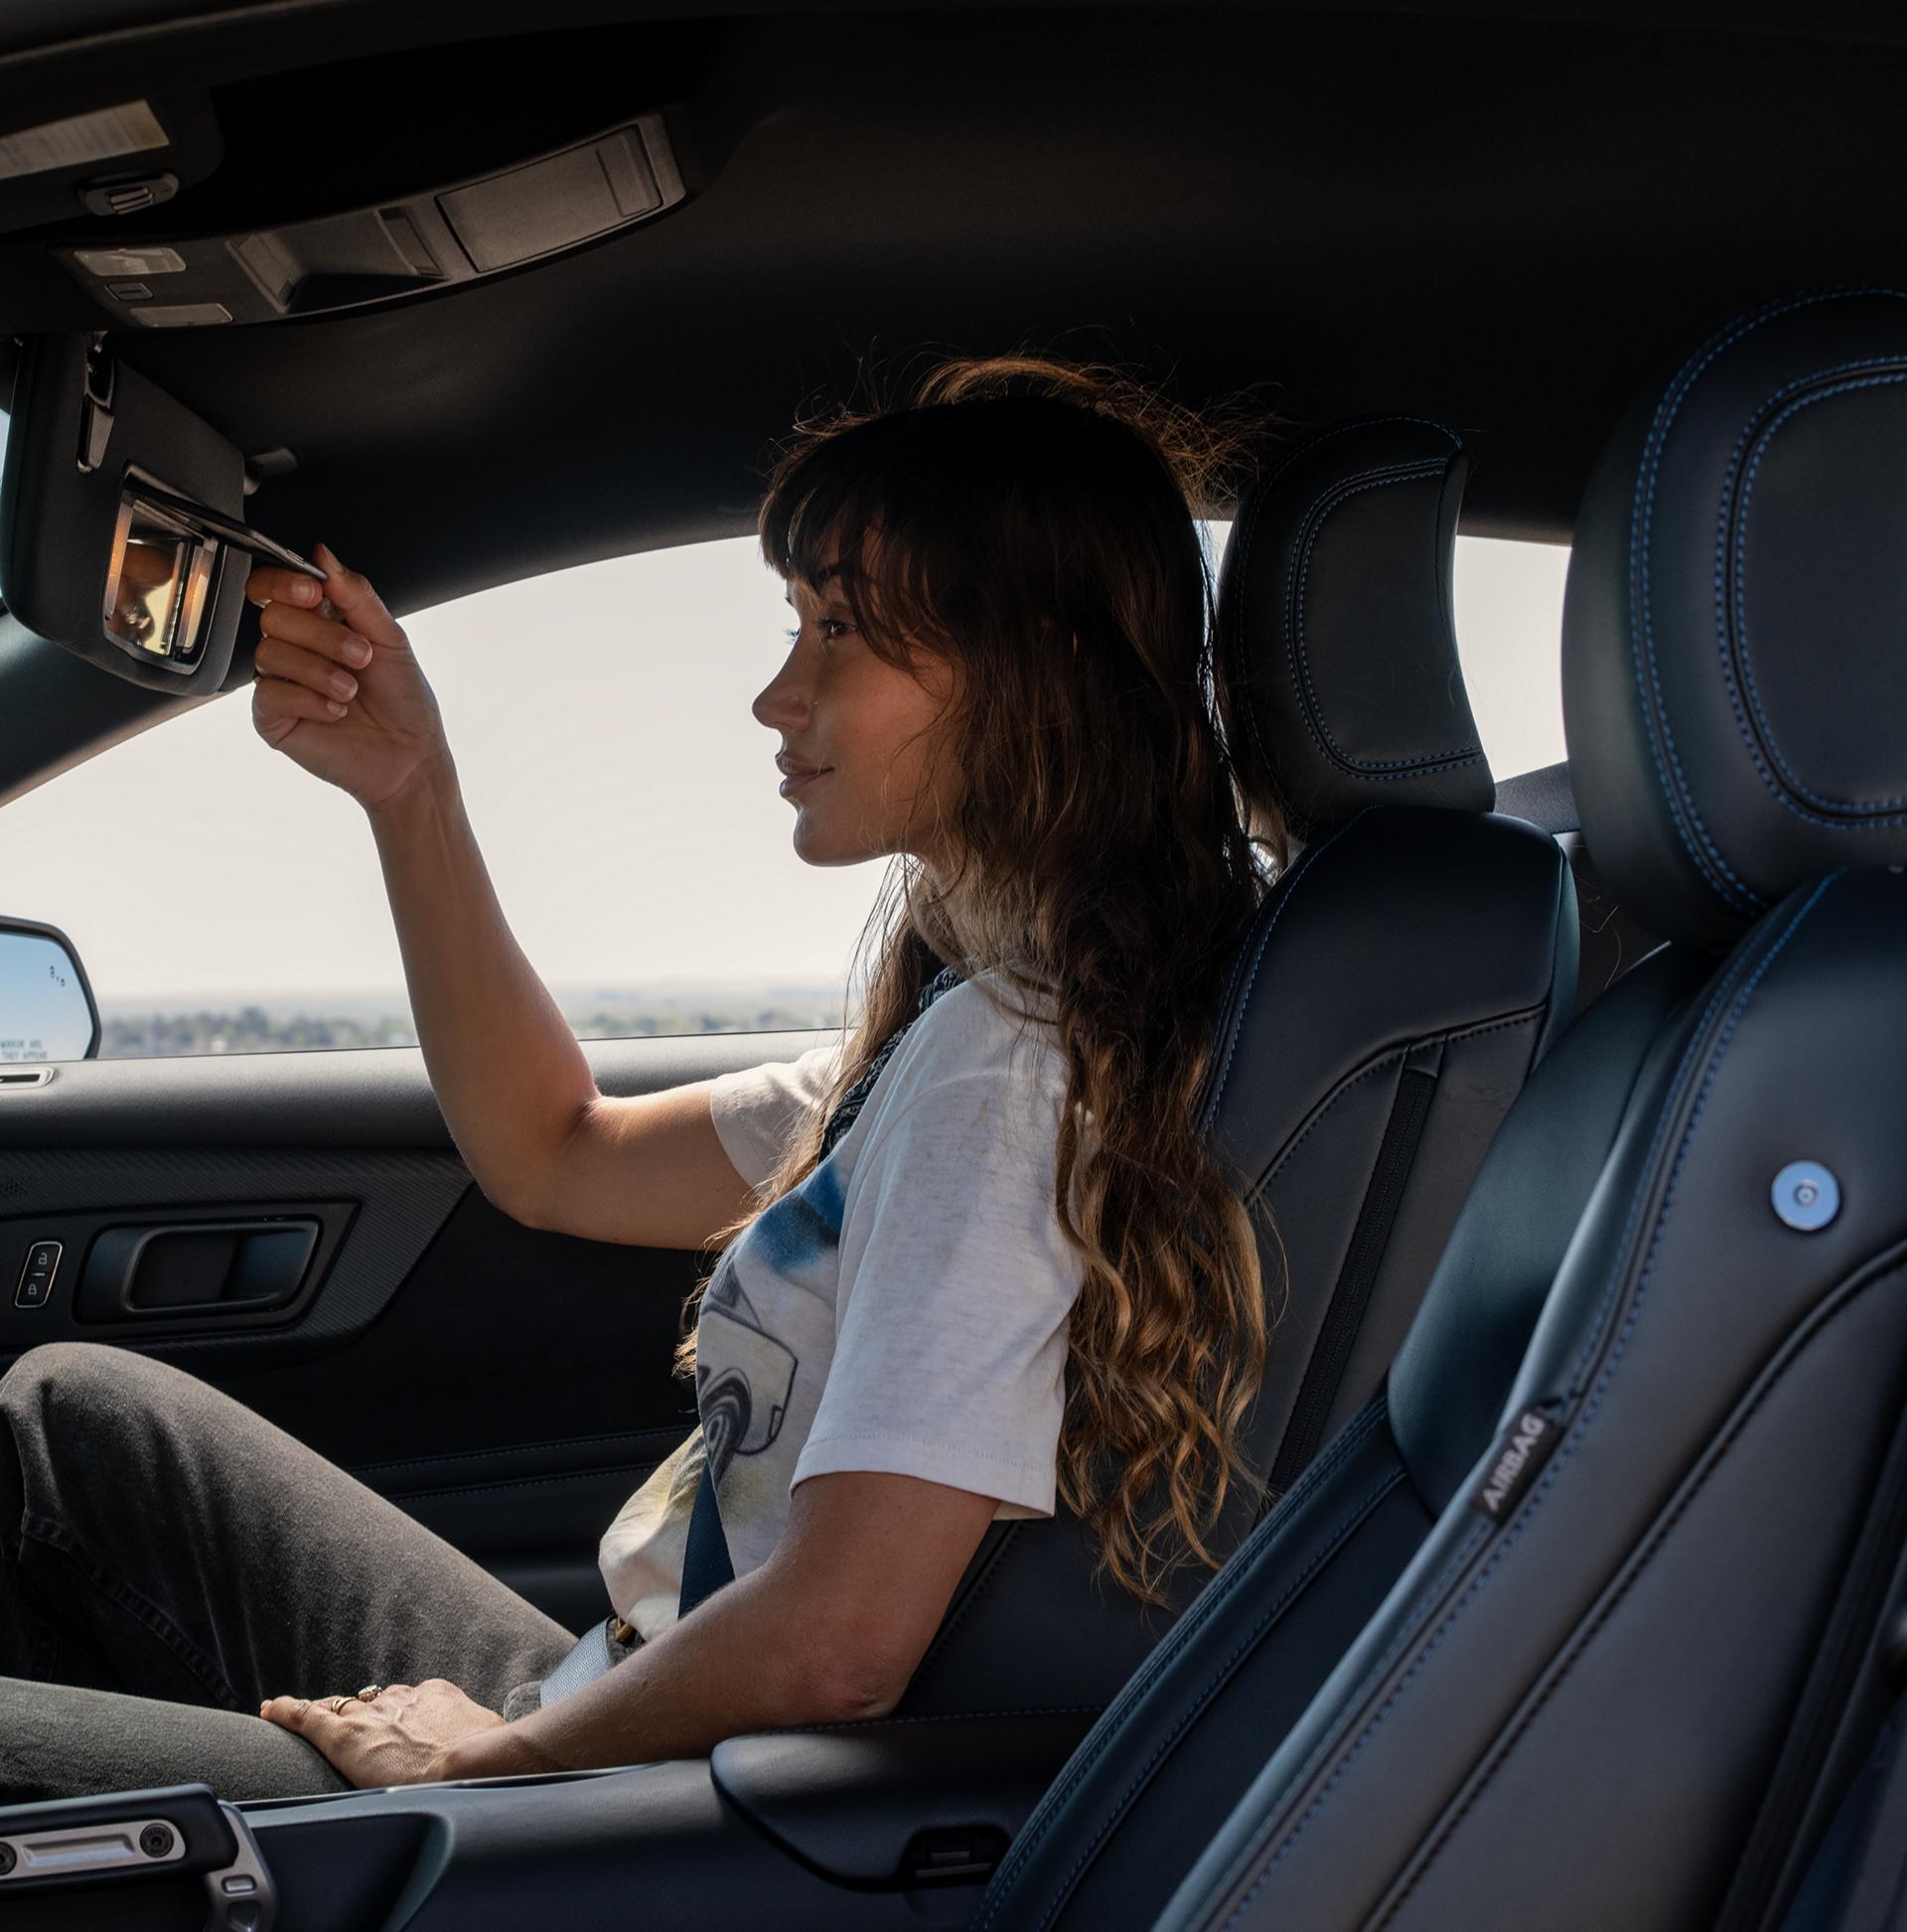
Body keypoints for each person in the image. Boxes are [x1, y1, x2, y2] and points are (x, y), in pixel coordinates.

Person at [0, 356, 1281, 1802]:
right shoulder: (992, 1029)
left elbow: (843, 1644)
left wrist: (487, 1765)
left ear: (1032, 669)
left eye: (839, 633)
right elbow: (554, 1150)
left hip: (639, 1811)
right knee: (74, 1420)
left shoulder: (1010, 1077)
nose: (774, 694)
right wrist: (412, 790)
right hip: (626, 1710)